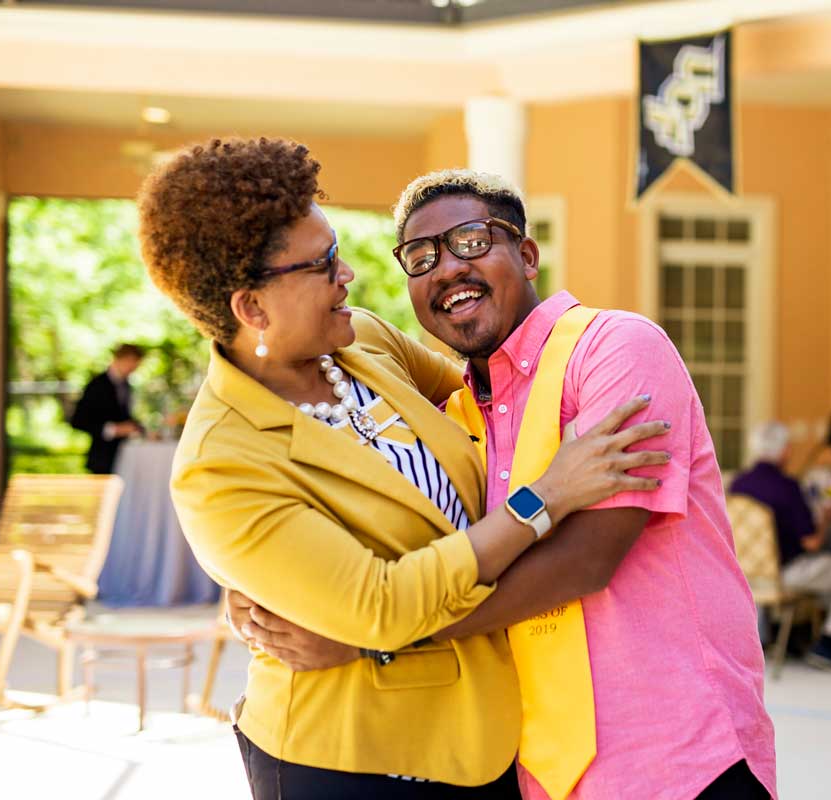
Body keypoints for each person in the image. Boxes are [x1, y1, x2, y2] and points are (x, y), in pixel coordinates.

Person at [137, 138, 669, 799]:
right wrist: (545, 499)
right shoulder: (220, 466)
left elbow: (502, 412)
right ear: (252, 308)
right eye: (323, 262)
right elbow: (382, 604)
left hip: (482, 738)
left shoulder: (362, 342)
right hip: (350, 758)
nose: (347, 274)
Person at [233, 169, 776, 800]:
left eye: (469, 241)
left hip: (679, 757)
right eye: (421, 257)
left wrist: (369, 640)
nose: (446, 269)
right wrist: (257, 576)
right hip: (538, 773)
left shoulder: (616, 349)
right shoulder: (458, 419)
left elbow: (586, 558)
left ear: (526, 254)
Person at [731, 421, 831, 671]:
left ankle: (779, 635)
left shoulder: (737, 484)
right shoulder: (787, 486)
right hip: (786, 573)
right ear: (784, 451)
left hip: (746, 572)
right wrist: (828, 519)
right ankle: (830, 643)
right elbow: (812, 542)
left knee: (826, 567)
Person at [68, 343, 146, 473]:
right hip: (101, 459)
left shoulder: (126, 385)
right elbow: (78, 420)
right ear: (119, 359)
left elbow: (123, 415)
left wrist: (136, 427)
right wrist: (113, 429)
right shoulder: (97, 385)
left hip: (124, 457)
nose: (133, 368)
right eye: (131, 363)